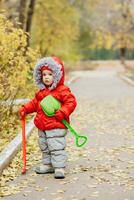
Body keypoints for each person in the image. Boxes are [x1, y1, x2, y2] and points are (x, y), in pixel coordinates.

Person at [19, 56, 77, 179]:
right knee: (44, 146)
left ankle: (59, 167)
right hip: (42, 126)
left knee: (56, 146)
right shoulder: (41, 92)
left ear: (57, 75)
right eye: (44, 74)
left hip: (56, 125)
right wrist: (25, 109)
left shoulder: (62, 90)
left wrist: (63, 111)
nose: (46, 77)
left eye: (50, 74)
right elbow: (35, 103)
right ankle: (48, 164)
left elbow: (71, 102)